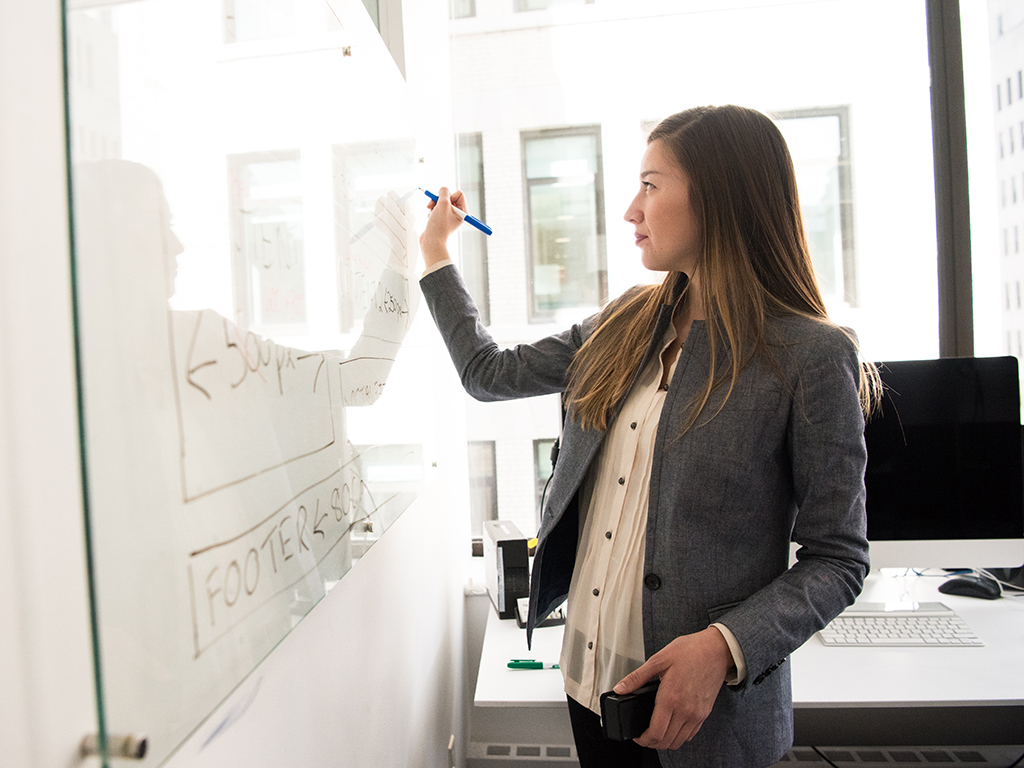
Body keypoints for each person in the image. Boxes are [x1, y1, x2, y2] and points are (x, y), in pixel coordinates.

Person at [418, 105, 878, 768]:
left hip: (703, 721)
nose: (632, 211)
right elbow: (488, 373)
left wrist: (723, 646)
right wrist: (436, 252)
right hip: (588, 689)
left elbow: (838, 559)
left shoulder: (808, 354)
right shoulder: (626, 321)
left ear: (720, 198)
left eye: (651, 186)